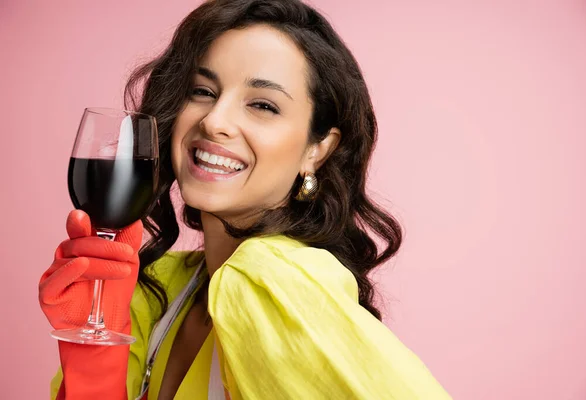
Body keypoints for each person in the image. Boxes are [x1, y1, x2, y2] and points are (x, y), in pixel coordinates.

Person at [39, 0, 452, 398]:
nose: (214, 121)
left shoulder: (275, 279)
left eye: (262, 105)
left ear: (318, 149)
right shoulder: (164, 284)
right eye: (202, 91)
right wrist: (93, 347)